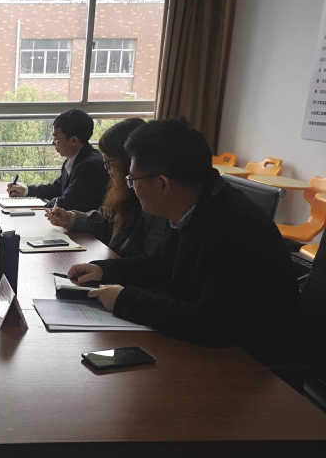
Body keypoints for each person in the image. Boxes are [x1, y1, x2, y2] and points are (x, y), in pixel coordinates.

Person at [67, 118, 299, 365]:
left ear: (163, 184)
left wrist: (124, 300)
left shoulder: (235, 227)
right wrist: (104, 270)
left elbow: (211, 323)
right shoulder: (192, 205)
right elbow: (160, 263)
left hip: (253, 365)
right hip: (211, 349)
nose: (131, 188)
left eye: (133, 180)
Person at [44, 118, 166, 257]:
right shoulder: (124, 194)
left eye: (109, 160)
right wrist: (70, 218)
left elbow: (149, 263)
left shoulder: (154, 205)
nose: (105, 167)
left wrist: (105, 268)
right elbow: (107, 221)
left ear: (128, 162)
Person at [7, 109, 108, 212]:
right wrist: (26, 191)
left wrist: (42, 205)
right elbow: (57, 188)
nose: (53, 143)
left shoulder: (90, 166)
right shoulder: (73, 159)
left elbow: (67, 203)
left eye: (56, 139)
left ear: (73, 140)